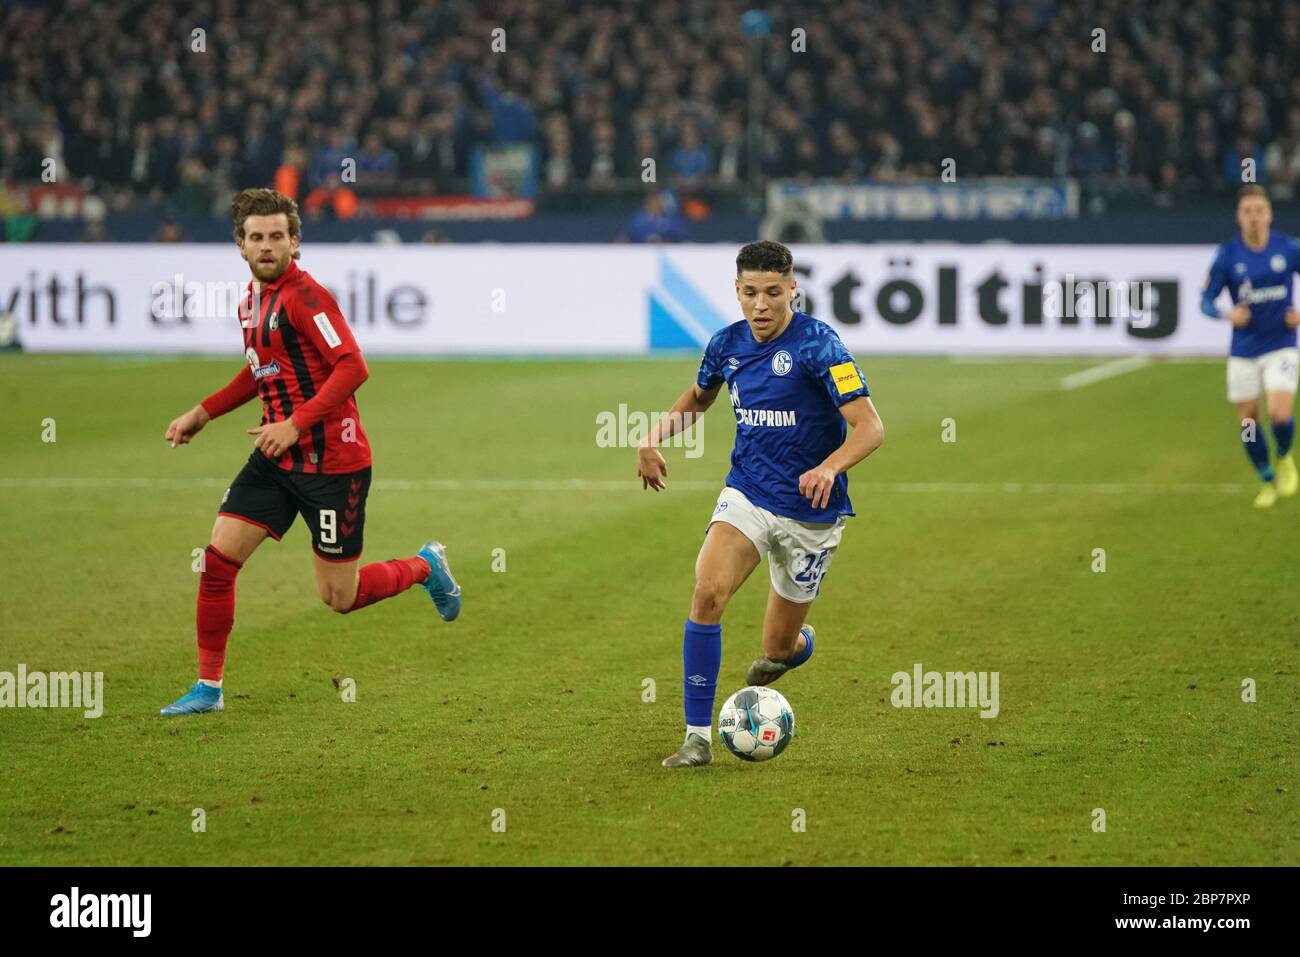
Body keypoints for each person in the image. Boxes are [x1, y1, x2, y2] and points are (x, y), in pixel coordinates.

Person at [159, 188, 460, 715]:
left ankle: (424, 565)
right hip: (276, 461)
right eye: (257, 238)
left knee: (338, 599)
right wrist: (202, 413)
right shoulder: (250, 303)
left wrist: (296, 424)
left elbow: (353, 366)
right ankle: (209, 688)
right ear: (241, 246)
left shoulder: (307, 297)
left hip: (333, 467)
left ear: (295, 242)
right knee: (217, 563)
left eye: (278, 236)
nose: (268, 246)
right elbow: (261, 371)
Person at [637, 240, 884, 767]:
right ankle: (696, 739)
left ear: (793, 289)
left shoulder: (822, 346)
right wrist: (653, 436)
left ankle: (794, 649)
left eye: (773, 292)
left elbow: (870, 427)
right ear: (737, 291)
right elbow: (699, 397)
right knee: (707, 592)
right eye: (750, 293)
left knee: (775, 650)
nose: (761, 305)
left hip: (811, 514)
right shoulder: (725, 344)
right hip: (747, 493)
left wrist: (829, 466)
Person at [1201, 185, 1300, 508]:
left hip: (1281, 344)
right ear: (1238, 217)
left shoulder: (1287, 248)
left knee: (1279, 413)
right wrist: (1225, 313)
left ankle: (1284, 456)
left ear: (1270, 214)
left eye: (1260, 210)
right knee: (1247, 424)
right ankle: (1266, 477)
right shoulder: (1227, 255)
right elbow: (1205, 300)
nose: (1254, 217)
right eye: (1248, 211)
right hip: (1243, 349)